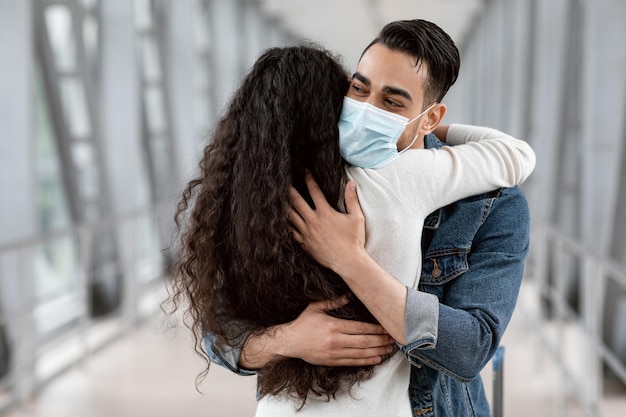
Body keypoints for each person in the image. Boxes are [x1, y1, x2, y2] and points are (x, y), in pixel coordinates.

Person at [204, 19, 535, 417]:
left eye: (391, 103)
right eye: (358, 89)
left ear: (428, 117)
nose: (365, 111)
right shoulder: (397, 179)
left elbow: (470, 349)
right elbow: (219, 330)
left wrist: (348, 259)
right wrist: (288, 339)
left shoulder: (268, 186)